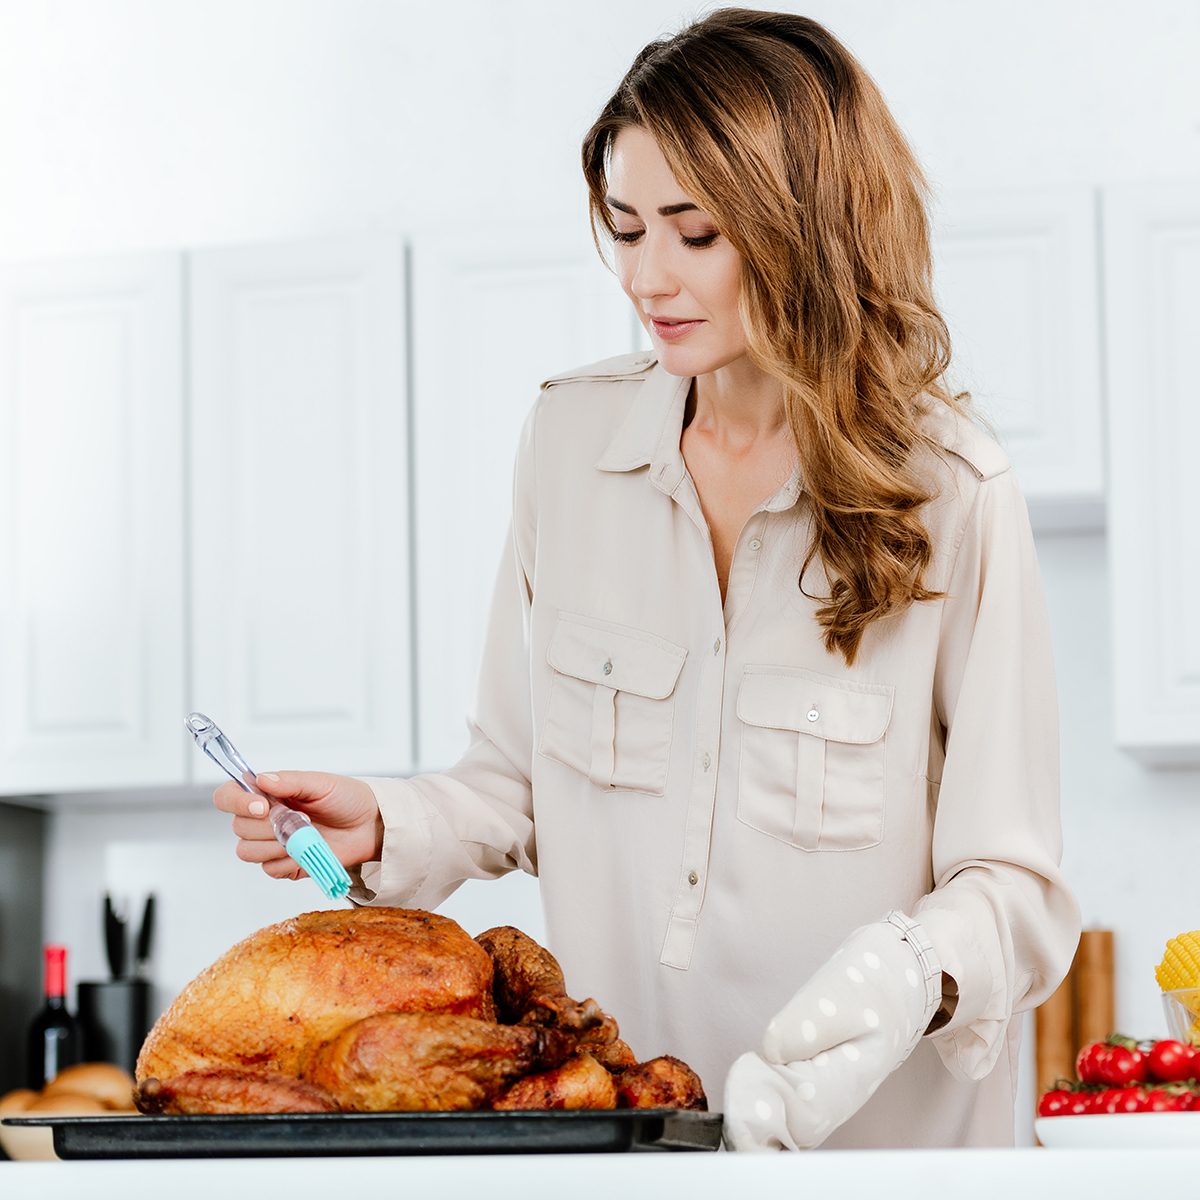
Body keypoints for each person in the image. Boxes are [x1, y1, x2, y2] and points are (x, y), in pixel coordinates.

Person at [213, 8, 1080, 1150]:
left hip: (880, 1162)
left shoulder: (952, 490)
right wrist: (384, 823)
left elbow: (1016, 890)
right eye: (625, 229)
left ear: (805, 229)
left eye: (695, 232)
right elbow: (516, 783)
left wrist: (903, 976)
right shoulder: (569, 448)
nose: (647, 276)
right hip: (626, 1148)